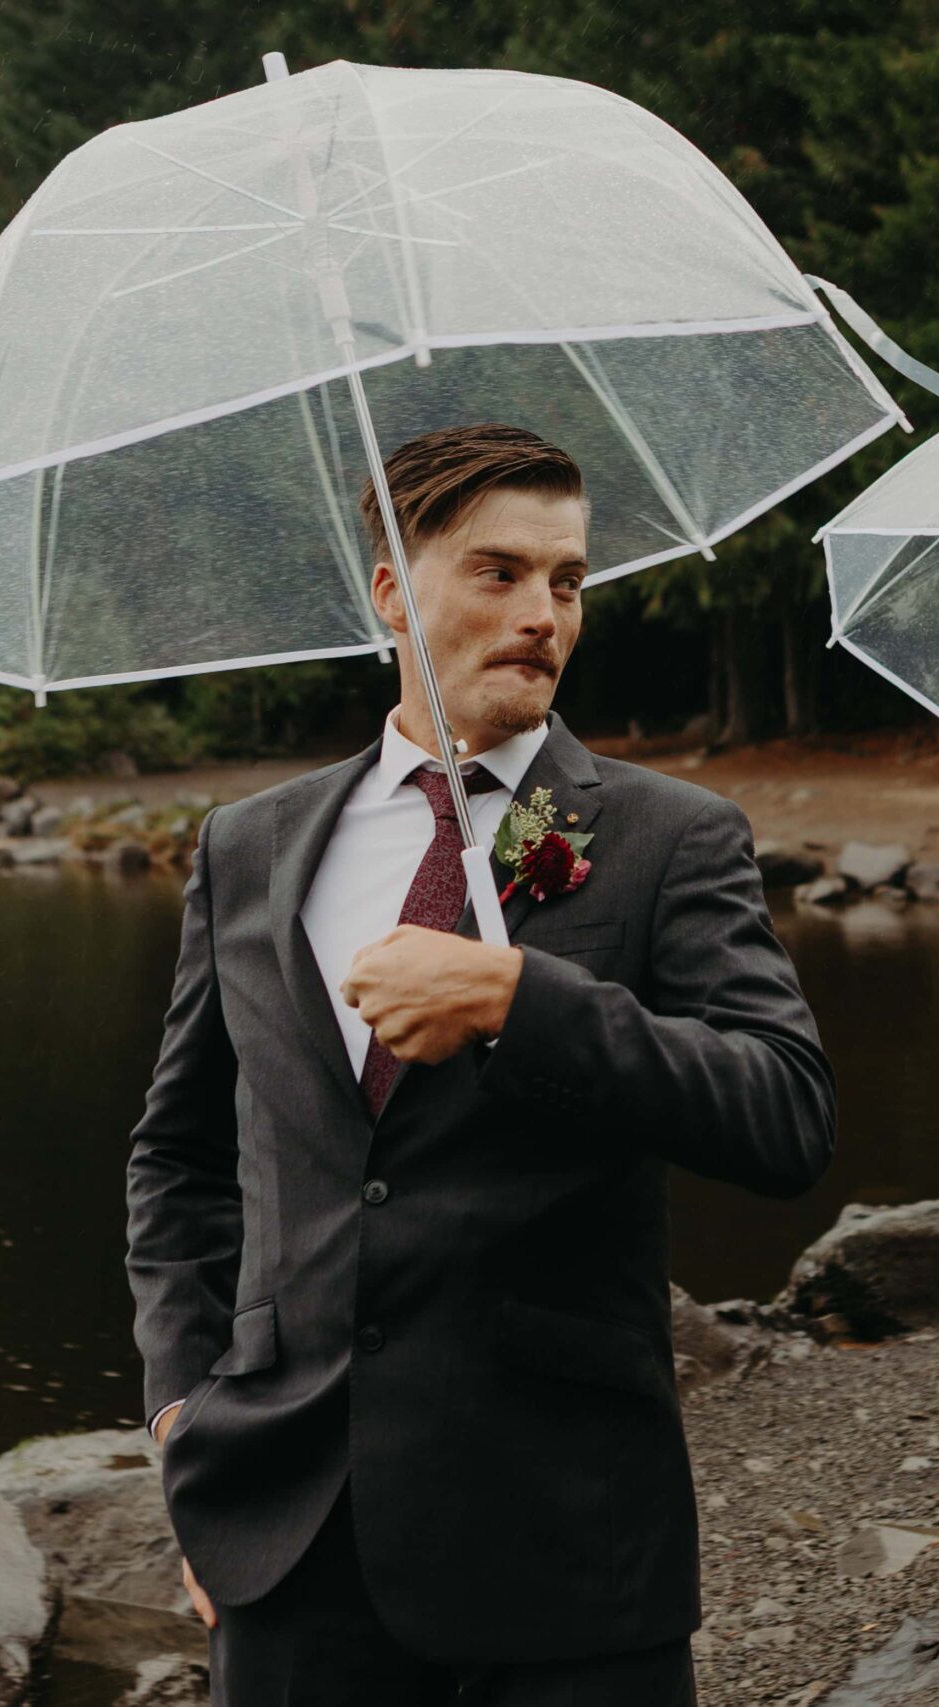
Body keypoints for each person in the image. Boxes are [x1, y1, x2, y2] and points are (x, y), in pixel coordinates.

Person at [124, 422, 836, 1705]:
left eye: (567, 581)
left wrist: (522, 999)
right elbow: (179, 1163)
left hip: (562, 1548)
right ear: (394, 591)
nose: (543, 614)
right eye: (498, 574)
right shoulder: (249, 843)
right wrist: (185, 1417)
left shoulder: (664, 836)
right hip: (287, 1542)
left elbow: (784, 1116)